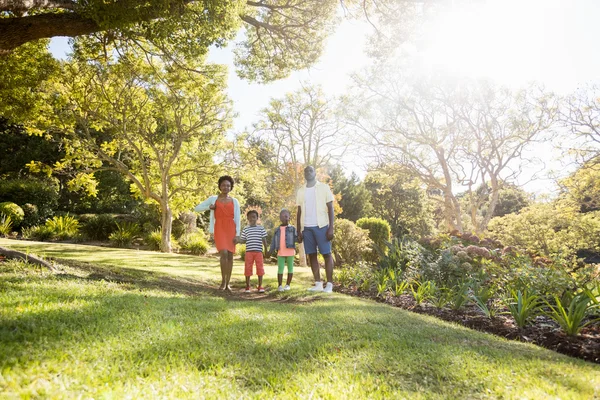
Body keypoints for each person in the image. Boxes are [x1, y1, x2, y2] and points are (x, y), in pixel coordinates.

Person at [195, 176, 241, 291]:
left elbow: (238, 219)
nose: (226, 187)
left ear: (231, 187)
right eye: (223, 185)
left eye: (228, 186)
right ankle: (223, 281)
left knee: (230, 255)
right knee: (224, 253)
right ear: (220, 186)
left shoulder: (234, 201)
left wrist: (237, 234)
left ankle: (228, 284)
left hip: (231, 228)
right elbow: (197, 208)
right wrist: (209, 207)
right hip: (219, 228)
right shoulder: (213, 199)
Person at [296, 165, 335, 293]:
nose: (308, 172)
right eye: (306, 171)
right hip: (306, 227)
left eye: (310, 170)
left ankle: (329, 284)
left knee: (326, 254)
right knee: (311, 255)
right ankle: (318, 283)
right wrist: (299, 230)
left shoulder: (324, 188)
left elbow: (330, 208)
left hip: (322, 226)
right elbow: (299, 211)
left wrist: (331, 228)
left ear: (315, 173)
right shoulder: (301, 190)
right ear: (304, 174)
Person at [238, 210, 268, 293]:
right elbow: (243, 240)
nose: (252, 219)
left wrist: (266, 250)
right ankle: (247, 286)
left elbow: (264, 239)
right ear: (247, 218)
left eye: (254, 217)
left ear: (257, 218)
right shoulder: (246, 229)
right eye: (250, 217)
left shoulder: (261, 228)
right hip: (249, 252)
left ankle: (260, 286)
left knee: (260, 268)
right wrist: (237, 240)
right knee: (248, 268)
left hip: (259, 252)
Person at [269, 209, 297, 292]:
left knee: (290, 268)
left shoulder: (292, 229)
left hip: (290, 251)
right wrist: (270, 250)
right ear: (280, 218)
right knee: (280, 268)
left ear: (289, 217)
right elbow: (274, 241)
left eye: (286, 216)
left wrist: (300, 237)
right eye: (282, 216)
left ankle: (288, 285)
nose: (284, 218)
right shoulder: (277, 230)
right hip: (280, 252)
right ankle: (280, 285)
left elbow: (297, 239)